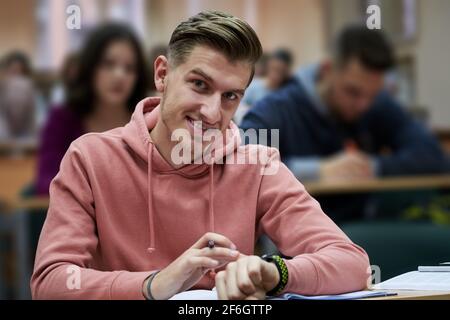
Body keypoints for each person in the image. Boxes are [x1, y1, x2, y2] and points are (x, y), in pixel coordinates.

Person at [31, 11, 370, 300]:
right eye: (200, 85)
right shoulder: (90, 158)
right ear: (162, 75)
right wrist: (154, 284)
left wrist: (275, 273)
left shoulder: (257, 164)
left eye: (231, 96)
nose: (211, 112)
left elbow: (352, 264)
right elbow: (51, 282)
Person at [241, 25, 450, 222]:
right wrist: (317, 171)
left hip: (363, 228)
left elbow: (432, 156)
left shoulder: (376, 104)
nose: (363, 105)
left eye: (372, 95)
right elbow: (243, 170)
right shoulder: (273, 111)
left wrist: (371, 167)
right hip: (296, 241)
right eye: (352, 92)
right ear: (326, 70)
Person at [35, 23, 149, 195]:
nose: (119, 75)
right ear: (90, 68)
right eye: (108, 64)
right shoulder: (63, 118)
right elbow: (46, 181)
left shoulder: (148, 120)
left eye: (130, 68)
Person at [234, 49, 293, 125]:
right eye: (274, 69)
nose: (275, 75)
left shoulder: (285, 94)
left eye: (280, 71)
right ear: (268, 66)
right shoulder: (254, 86)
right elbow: (239, 106)